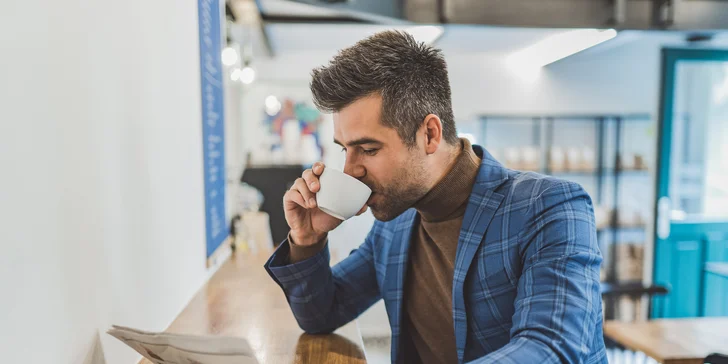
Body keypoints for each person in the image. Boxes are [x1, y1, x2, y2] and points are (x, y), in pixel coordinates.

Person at [264, 30, 607, 364]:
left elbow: (553, 349)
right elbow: (322, 314)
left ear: (429, 134)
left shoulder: (550, 208)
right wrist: (307, 239)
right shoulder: (396, 222)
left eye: (368, 149)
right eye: (345, 149)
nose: (350, 169)